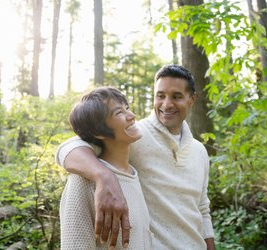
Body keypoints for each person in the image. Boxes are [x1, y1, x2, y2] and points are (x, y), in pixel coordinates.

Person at [56, 65, 215, 249]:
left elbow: (202, 209)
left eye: (176, 96)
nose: (167, 104)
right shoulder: (131, 136)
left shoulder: (199, 151)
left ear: (192, 99)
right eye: (160, 96)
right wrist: (103, 176)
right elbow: (68, 148)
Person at [59, 87, 153, 249]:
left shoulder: (132, 173)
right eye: (119, 113)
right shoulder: (83, 181)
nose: (132, 116)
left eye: (127, 108)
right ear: (98, 132)